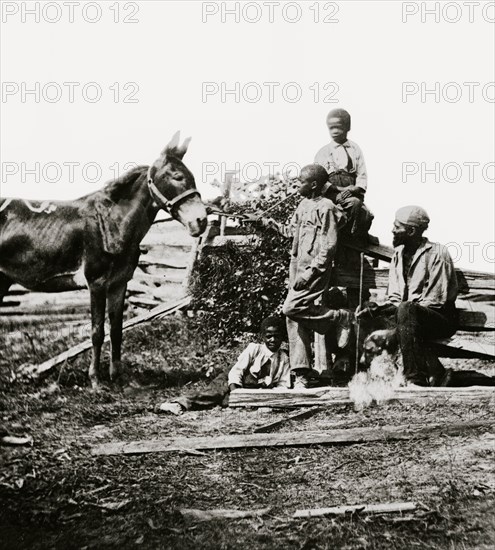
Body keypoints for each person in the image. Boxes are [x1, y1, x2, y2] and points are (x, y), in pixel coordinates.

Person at [251, 164, 354, 387]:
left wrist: (310, 273)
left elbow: (329, 246)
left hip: (314, 271)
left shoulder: (326, 208)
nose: (297, 185)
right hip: (296, 267)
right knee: (292, 317)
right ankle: (302, 373)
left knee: (290, 309)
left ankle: (339, 317)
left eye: (301, 182)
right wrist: (266, 223)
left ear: (314, 184)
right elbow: (290, 232)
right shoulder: (303, 204)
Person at [356, 205, 458, 386]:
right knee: (366, 314)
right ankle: (434, 372)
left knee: (406, 310)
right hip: (408, 317)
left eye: (397, 227)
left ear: (411, 231)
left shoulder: (438, 253)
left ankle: (415, 378)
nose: (392, 230)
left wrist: (402, 314)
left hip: (439, 318)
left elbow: (435, 299)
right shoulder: (398, 254)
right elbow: (395, 298)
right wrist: (375, 309)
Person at [157, 317, 291, 414]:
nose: (273, 340)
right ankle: (174, 404)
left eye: (276, 336)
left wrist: (269, 397)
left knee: (219, 403)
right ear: (263, 337)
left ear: (282, 337)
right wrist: (236, 392)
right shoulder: (254, 349)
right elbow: (236, 371)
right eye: (269, 336)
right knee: (212, 394)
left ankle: (179, 405)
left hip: (251, 389)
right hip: (233, 380)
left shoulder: (283, 358)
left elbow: (283, 384)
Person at [314, 108, 373, 240]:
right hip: (332, 193)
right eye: (331, 128)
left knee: (360, 208)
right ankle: (336, 233)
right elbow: (319, 180)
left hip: (351, 193)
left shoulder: (355, 149)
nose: (334, 131)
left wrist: (354, 188)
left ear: (347, 127)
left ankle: (351, 235)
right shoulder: (323, 152)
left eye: (338, 127)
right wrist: (339, 190)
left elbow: (362, 175)